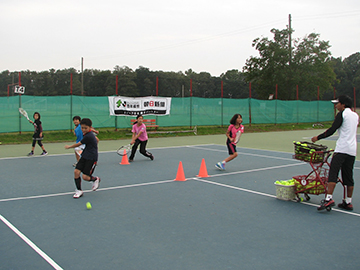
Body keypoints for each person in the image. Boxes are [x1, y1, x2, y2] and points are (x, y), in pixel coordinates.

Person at [312, 95, 359, 211]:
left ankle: (328, 199)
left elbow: (332, 130)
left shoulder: (342, 114)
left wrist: (318, 137)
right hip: (352, 151)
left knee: (333, 174)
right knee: (348, 176)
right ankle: (348, 202)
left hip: (341, 149)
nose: (336, 106)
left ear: (343, 105)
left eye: (337, 103)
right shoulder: (355, 115)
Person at [65, 118, 101, 199]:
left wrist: (69, 146)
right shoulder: (89, 133)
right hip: (85, 155)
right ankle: (79, 190)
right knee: (76, 172)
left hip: (91, 158)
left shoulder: (89, 136)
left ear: (90, 127)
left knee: (85, 177)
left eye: (85, 128)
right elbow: (97, 140)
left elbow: (78, 144)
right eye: (82, 128)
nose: (83, 130)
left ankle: (95, 179)